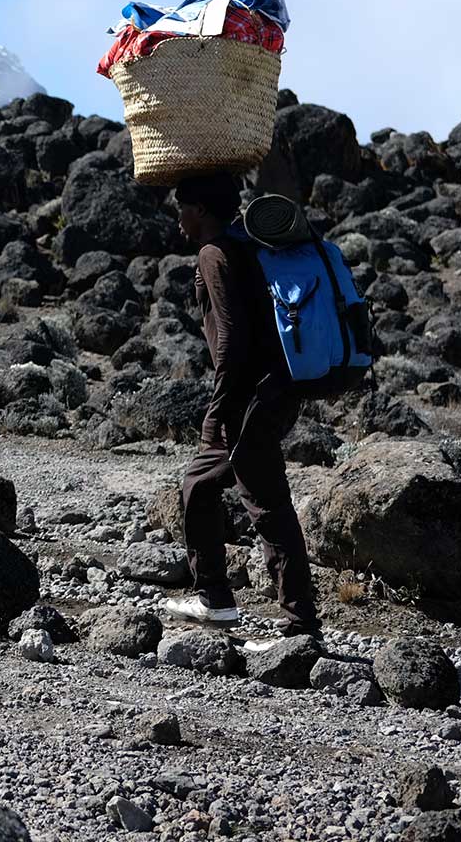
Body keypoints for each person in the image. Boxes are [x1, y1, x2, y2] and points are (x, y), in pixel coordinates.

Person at [160, 173, 321, 647]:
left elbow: (231, 339)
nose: (179, 217)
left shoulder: (215, 253)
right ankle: (217, 598)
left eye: (183, 206)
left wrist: (219, 404)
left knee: (265, 506)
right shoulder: (248, 246)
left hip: (247, 399)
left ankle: (299, 627)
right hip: (274, 390)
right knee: (201, 486)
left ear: (202, 211)